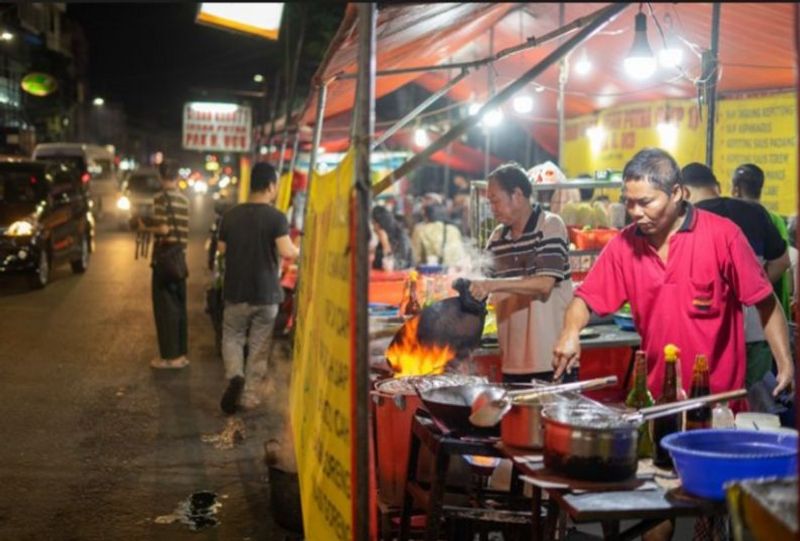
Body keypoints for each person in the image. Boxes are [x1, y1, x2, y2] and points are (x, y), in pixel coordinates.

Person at [553, 149, 794, 403]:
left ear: (677, 193)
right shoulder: (624, 245)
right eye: (628, 202)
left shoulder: (723, 236)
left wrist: (785, 363)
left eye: (645, 202)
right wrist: (570, 332)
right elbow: (585, 299)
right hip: (657, 401)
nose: (634, 212)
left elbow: (766, 302)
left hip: (718, 402)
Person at [681, 162, 791, 412]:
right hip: (759, 331)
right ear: (717, 187)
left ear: (683, 193)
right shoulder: (756, 212)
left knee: (710, 408)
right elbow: (782, 262)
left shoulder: (688, 222)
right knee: (753, 408)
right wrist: (751, 288)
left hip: (710, 338)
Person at [468, 162, 573, 383]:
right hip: (512, 363)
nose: (492, 208)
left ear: (517, 195)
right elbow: (480, 283)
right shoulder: (497, 237)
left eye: (495, 201)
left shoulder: (550, 225)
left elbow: (544, 284)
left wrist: (491, 285)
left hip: (552, 360)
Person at [217, 162, 299, 414]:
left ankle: (235, 375)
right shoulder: (276, 217)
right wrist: (300, 250)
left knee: (232, 336)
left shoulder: (230, 215)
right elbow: (287, 251)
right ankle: (249, 396)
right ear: (271, 186)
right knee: (259, 345)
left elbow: (222, 250)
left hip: (236, 290)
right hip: (266, 294)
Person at [139, 159, 190, 369]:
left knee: (164, 308)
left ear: (160, 177)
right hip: (180, 258)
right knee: (179, 306)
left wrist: (144, 228)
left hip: (164, 258)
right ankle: (181, 354)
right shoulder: (184, 200)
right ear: (177, 177)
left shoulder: (160, 198)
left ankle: (169, 357)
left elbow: (163, 229)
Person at [732, 163, 793, 317]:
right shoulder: (776, 219)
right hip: (774, 301)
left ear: (736, 190)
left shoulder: (733, 221)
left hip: (753, 307)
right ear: (761, 188)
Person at [371, 205, 413, 271]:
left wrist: (385, 244)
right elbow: (377, 264)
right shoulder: (381, 238)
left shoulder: (401, 238)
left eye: (373, 223)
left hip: (403, 278)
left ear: (379, 224)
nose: (373, 228)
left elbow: (391, 267)